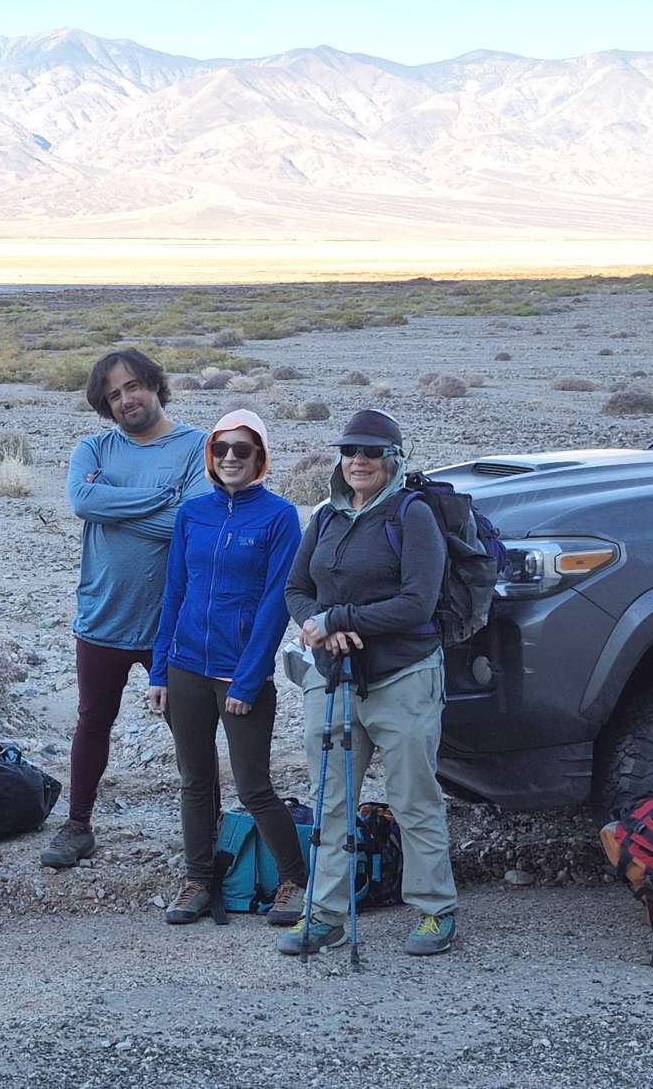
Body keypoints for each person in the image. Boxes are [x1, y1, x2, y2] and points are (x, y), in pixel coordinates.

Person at [278, 408, 458, 956]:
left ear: (393, 459)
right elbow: (295, 589)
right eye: (350, 451)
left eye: (372, 452)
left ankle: (435, 910)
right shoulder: (326, 517)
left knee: (413, 796)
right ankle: (325, 914)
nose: (359, 460)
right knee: (330, 799)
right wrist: (320, 627)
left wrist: (339, 619)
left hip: (403, 674)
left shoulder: (412, 515)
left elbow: (417, 603)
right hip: (333, 676)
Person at [40, 350, 211, 869]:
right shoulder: (92, 448)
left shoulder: (196, 446)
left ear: (154, 384)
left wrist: (112, 504)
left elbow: (190, 523)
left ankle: (209, 831)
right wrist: (161, 497)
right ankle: (78, 825)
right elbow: (82, 502)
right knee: (93, 721)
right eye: (114, 395)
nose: (126, 400)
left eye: (133, 386)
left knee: (190, 731)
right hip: (103, 615)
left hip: (171, 622)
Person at [145, 409, 305, 925]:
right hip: (187, 667)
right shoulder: (193, 514)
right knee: (195, 781)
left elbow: (276, 604)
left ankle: (295, 880)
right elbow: (174, 593)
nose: (230, 457)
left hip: (240, 674)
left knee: (253, 785)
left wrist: (249, 678)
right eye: (221, 448)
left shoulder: (280, 517)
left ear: (260, 457)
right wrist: (159, 670)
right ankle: (198, 880)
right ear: (210, 455)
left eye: (242, 449)